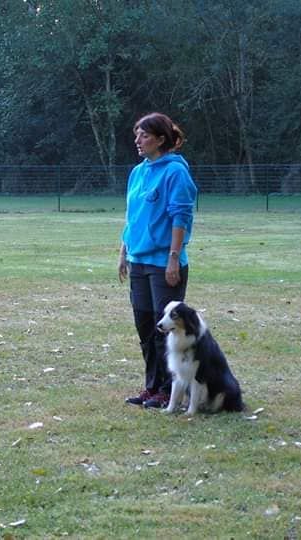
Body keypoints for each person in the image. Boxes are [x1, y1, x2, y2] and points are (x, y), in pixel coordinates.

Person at [118, 112, 197, 409]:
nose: (138, 141)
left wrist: (173, 259)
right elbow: (132, 218)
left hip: (164, 263)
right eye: (137, 135)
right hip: (138, 261)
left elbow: (181, 217)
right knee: (145, 328)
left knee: (166, 331)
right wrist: (124, 254)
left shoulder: (176, 172)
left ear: (161, 139)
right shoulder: (138, 173)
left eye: (144, 136)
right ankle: (152, 387)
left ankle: (169, 390)